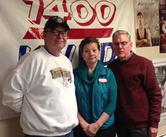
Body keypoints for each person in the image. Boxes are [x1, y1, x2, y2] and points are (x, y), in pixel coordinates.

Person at [2, 16, 78, 137]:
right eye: (55, 32)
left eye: (63, 32)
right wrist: (32, 112)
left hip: (68, 132)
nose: (60, 37)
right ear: (44, 35)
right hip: (40, 134)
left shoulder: (66, 61)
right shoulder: (31, 59)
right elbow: (10, 95)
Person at [108, 30, 162, 137]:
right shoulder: (111, 67)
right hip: (120, 125)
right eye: (116, 44)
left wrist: (154, 123)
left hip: (140, 127)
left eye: (124, 43)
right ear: (112, 46)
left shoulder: (144, 64)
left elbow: (155, 95)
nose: (120, 47)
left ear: (130, 45)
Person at [73, 37, 117, 137]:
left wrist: (97, 125)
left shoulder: (108, 74)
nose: (91, 53)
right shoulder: (74, 75)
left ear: (99, 52)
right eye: (87, 51)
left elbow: (112, 103)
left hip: (105, 128)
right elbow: (71, 103)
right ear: (82, 55)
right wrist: (84, 125)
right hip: (82, 128)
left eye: (94, 50)